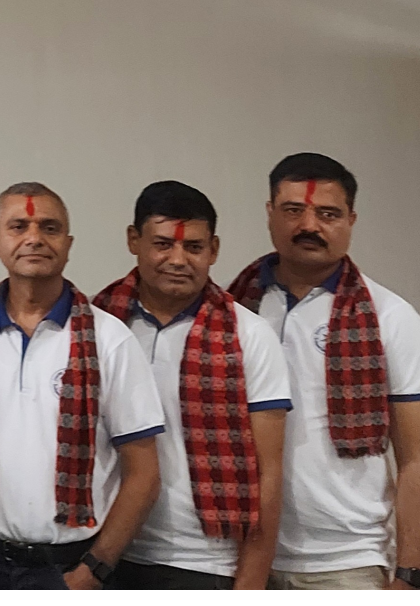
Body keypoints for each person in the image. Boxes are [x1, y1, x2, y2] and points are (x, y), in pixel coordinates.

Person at [0, 182, 165, 590]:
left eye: (49, 227)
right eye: (18, 226)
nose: (34, 238)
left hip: (69, 567)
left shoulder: (109, 339)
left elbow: (144, 472)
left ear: (68, 243)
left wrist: (94, 569)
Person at [225, 153, 419, 590]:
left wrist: (410, 573)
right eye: (293, 210)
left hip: (347, 560)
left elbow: (415, 458)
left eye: (328, 214)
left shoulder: (390, 317)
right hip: (236, 551)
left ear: (351, 220)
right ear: (270, 213)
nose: (309, 225)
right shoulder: (233, 310)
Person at [93, 181, 290, 589]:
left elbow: (269, 471)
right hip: (106, 553)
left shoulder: (250, 336)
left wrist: (250, 584)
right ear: (133, 240)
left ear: (214, 250)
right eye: (163, 244)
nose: (178, 260)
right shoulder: (99, 326)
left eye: (194, 247)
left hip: (207, 564)